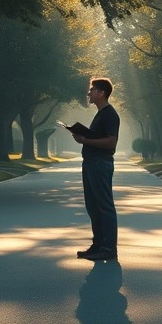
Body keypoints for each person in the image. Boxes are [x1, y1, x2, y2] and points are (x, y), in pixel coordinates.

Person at [73, 78, 120, 261]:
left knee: (104, 206)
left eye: (92, 90)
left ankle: (109, 248)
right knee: (93, 206)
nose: (89, 93)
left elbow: (111, 141)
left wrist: (85, 140)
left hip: (100, 163)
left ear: (101, 93)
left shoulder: (109, 114)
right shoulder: (100, 113)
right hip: (91, 162)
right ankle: (98, 245)